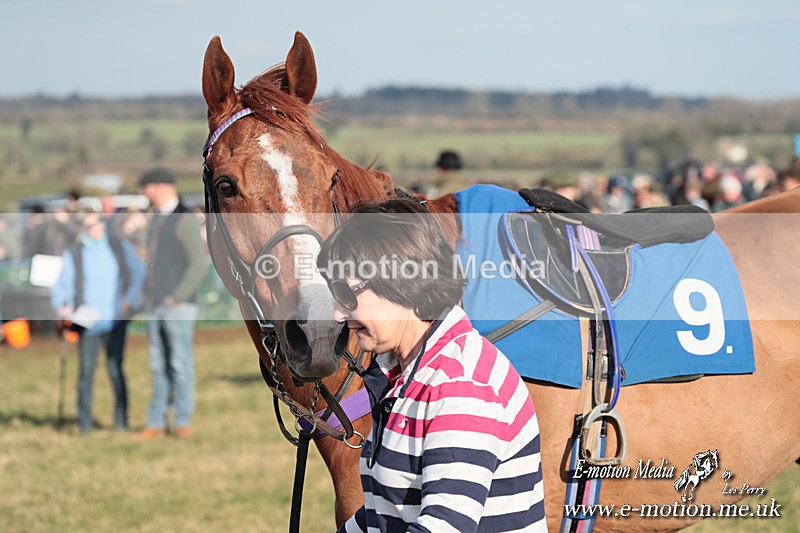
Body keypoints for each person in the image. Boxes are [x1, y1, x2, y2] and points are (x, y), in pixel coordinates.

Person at [318, 199, 546, 532]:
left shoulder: (461, 386)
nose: (338, 314)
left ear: (398, 282)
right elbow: (383, 514)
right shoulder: (403, 374)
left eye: (346, 293)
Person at [51, 212, 146, 433]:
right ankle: (84, 425)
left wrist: (129, 299)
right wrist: (62, 306)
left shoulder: (118, 247)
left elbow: (139, 273)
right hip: (88, 323)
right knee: (86, 374)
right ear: (82, 229)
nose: (98, 227)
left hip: (115, 321)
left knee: (115, 370)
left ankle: (121, 422)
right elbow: (62, 286)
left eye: (99, 222)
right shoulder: (74, 254)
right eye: (92, 224)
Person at [135, 167, 207, 440]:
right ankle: (155, 422)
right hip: (154, 304)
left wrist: (177, 297)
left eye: (146, 188)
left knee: (179, 364)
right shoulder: (156, 219)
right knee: (158, 365)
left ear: (159, 187)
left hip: (178, 305)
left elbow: (197, 266)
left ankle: (182, 420)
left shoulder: (183, 218)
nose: (144, 193)